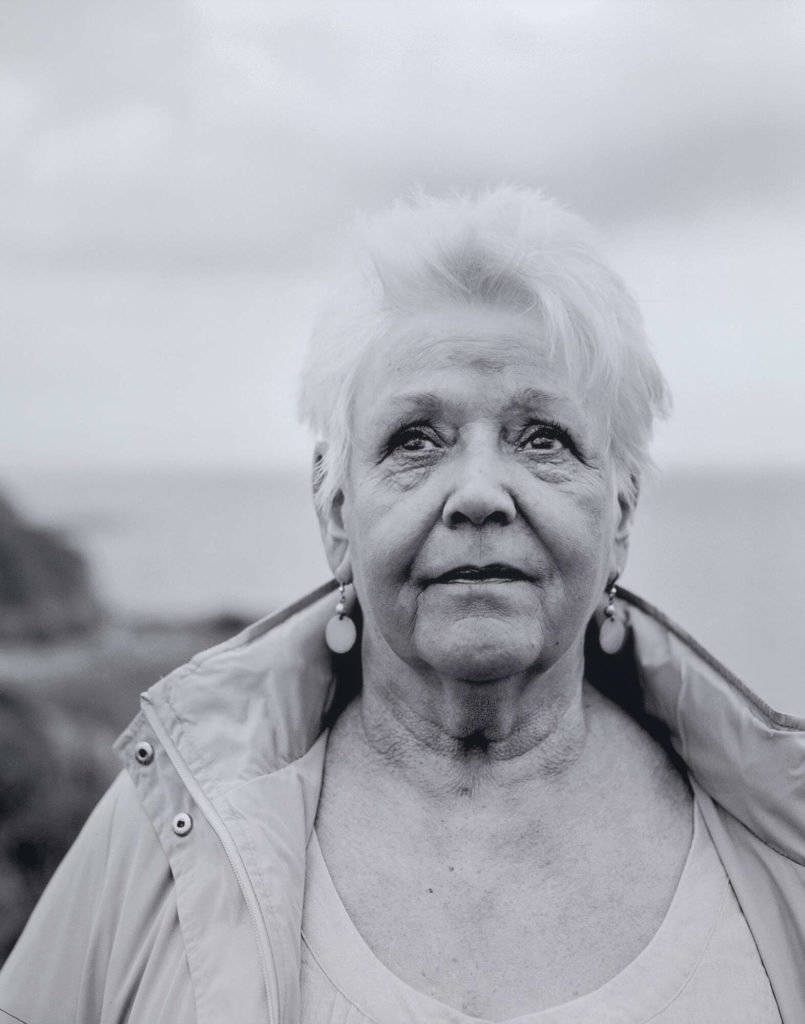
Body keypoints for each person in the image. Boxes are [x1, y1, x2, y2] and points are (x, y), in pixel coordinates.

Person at [1, 186, 803, 1024]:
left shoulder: (778, 848)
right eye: (415, 439)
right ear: (337, 511)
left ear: (621, 511)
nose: (481, 493)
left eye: (543, 438)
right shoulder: (167, 824)